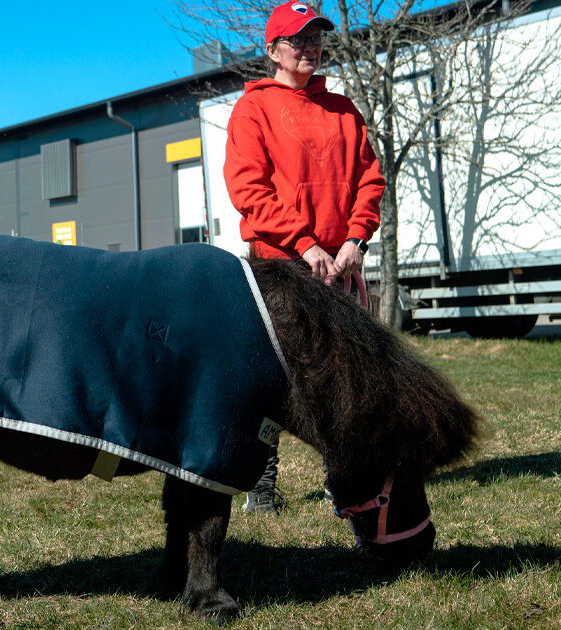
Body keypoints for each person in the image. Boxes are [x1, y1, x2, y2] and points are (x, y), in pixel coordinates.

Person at [224, 1, 385, 513]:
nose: (311, 46)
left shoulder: (343, 110)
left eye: (317, 37)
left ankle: (344, 480)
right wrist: (305, 243)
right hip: (281, 266)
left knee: (346, 380)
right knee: (274, 379)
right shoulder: (253, 109)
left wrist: (355, 241)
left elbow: (369, 179)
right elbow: (248, 189)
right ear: (273, 49)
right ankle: (261, 483)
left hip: (341, 266)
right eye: (298, 39)